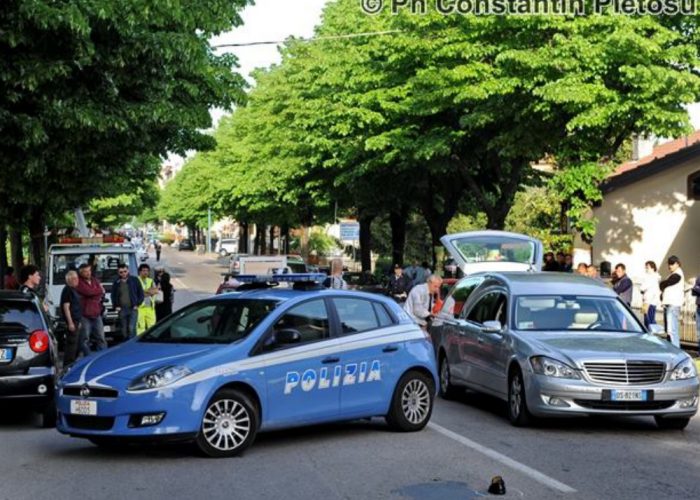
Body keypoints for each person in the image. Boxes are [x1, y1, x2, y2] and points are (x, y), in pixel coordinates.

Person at [75, 263, 107, 351]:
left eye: (89, 271)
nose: (88, 273)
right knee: (85, 339)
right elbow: (88, 292)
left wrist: (95, 292)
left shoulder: (95, 280)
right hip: (84, 315)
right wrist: (97, 291)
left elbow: (101, 292)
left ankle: (102, 356)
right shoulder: (79, 282)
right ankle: (87, 357)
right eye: (85, 272)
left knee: (101, 338)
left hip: (97, 313)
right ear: (81, 273)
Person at [110, 263, 144, 340]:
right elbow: (113, 295)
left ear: (128, 270)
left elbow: (141, 293)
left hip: (133, 308)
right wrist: (116, 306)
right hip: (122, 309)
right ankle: (126, 344)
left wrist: (137, 304)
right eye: (121, 272)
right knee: (123, 330)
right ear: (118, 272)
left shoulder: (134, 280)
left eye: (125, 271)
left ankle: (132, 345)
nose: (123, 274)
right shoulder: (116, 282)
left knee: (131, 328)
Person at [60, 270, 85, 366]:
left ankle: (72, 363)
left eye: (77, 278)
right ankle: (68, 365)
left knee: (78, 345)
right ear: (70, 280)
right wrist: (70, 322)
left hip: (77, 320)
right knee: (72, 346)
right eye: (75, 278)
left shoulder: (74, 290)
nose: (77, 280)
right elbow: (66, 307)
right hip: (72, 321)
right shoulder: (67, 290)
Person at [659, 255, 684, 348]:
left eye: (672, 264)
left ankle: (676, 352)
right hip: (669, 305)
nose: (670, 266)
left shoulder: (678, 273)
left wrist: (662, 284)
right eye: (669, 264)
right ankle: (671, 350)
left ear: (677, 264)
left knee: (672, 331)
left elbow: (666, 283)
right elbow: (665, 284)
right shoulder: (672, 273)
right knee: (669, 331)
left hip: (673, 305)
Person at [137, 264, 159, 334]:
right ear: (140, 272)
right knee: (140, 328)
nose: (145, 272)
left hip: (150, 308)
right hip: (140, 308)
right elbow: (136, 293)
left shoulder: (151, 281)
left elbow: (156, 291)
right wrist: (149, 291)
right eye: (143, 271)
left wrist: (144, 291)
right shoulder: (136, 280)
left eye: (147, 271)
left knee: (152, 328)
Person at [639, 260, 661, 328]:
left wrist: (642, 289)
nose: (646, 269)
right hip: (647, 301)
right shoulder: (653, 277)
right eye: (646, 267)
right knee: (648, 319)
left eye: (648, 267)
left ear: (653, 268)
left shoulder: (652, 277)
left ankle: (651, 334)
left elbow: (642, 287)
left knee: (648, 320)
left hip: (649, 301)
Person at [692, 273, 700, 353]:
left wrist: (697, 288)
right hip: (699, 307)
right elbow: (694, 291)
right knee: (698, 332)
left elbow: (696, 289)